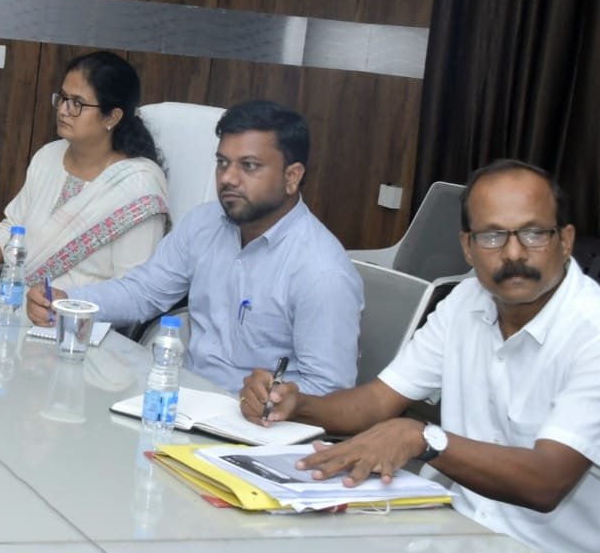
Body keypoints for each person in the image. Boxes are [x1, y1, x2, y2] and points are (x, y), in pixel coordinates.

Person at [240, 160, 600, 553]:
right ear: (467, 248)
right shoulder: (466, 301)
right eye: (492, 236)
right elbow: (376, 402)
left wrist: (425, 439)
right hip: (462, 535)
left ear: (565, 241)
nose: (514, 253)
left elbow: (547, 481)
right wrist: (298, 403)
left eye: (533, 234)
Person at [28, 99, 362, 395]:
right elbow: (143, 292)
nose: (228, 178)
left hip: (255, 427)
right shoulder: (205, 222)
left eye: (249, 166)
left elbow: (329, 390)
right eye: (222, 163)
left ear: (292, 177)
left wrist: (268, 399)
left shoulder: (321, 271)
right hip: (185, 401)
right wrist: (68, 302)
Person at [0, 51, 168, 290]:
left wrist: (65, 303)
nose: (63, 110)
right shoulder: (49, 156)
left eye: (77, 103)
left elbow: (134, 290)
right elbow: (13, 234)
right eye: (62, 98)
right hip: (16, 301)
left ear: (112, 117)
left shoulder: (137, 187)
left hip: (81, 314)